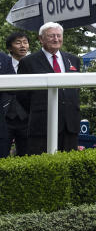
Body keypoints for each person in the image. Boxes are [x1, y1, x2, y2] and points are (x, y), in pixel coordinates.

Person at [16, 22, 82, 154]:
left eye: (59, 35)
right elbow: (22, 95)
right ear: (41, 39)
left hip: (69, 125)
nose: (56, 39)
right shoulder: (28, 62)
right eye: (51, 36)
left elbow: (76, 89)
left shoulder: (73, 60)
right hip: (41, 126)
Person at [2, 31, 31, 156]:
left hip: (27, 117)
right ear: (10, 48)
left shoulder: (33, 64)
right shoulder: (3, 63)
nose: (22, 46)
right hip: (4, 117)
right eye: (18, 43)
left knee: (27, 155)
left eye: (25, 42)